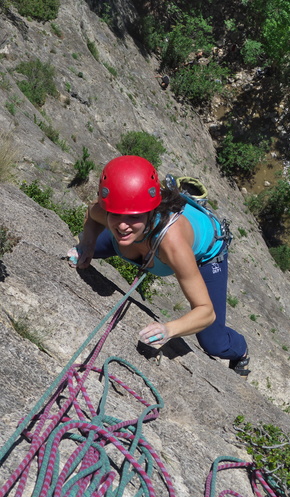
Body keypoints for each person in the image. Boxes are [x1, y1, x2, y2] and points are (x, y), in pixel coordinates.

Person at [68, 155, 250, 376]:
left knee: (214, 342)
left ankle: (240, 351)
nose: (123, 225)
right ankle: (181, 197)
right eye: (116, 214)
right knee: (85, 251)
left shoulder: (172, 243)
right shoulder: (113, 216)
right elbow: (92, 213)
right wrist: (87, 243)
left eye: (133, 216)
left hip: (208, 252)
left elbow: (206, 312)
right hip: (145, 239)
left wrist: (168, 330)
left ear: (149, 211)